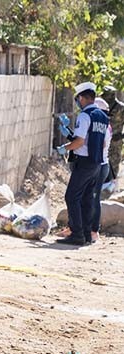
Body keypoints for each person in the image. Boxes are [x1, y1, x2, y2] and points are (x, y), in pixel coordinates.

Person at [55, 82, 109, 246]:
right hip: (96, 163)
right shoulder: (103, 117)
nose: (78, 102)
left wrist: (65, 148)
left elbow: (80, 141)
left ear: (83, 98)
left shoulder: (85, 116)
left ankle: (77, 233)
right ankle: (86, 234)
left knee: (71, 196)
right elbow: (97, 141)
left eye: (78, 98)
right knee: (86, 199)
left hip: (84, 163)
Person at [89, 98, 113, 242]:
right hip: (101, 165)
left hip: (99, 165)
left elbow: (101, 144)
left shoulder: (102, 126)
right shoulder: (105, 125)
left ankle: (93, 231)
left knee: (93, 197)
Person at [101, 86, 123, 176]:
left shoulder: (121, 108)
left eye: (106, 96)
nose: (104, 99)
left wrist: (121, 136)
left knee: (113, 164)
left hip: (115, 142)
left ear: (112, 96)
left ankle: (111, 186)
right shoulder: (102, 106)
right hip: (102, 141)